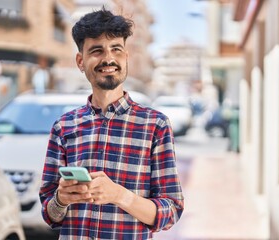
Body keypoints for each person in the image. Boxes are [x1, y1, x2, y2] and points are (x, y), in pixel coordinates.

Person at [39, 7, 184, 239]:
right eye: (96, 50)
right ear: (80, 61)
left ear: (125, 56)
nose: (108, 58)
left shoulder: (156, 125)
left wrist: (119, 195)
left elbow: (171, 212)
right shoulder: (63, 127)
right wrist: (60, 199)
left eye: (116, 49)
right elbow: (50, 214)